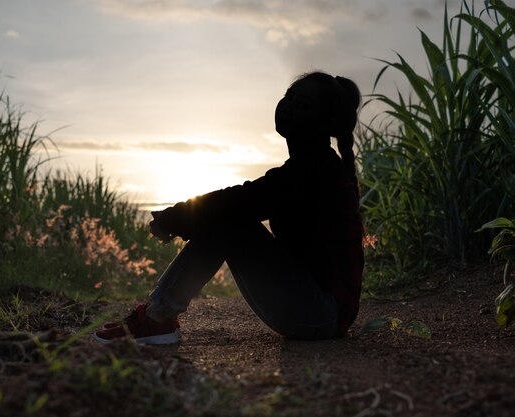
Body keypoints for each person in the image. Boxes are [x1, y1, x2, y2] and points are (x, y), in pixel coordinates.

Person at [94, 71, 364, 345]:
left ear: (325, 122)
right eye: (289, 97)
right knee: (227, 215)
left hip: (321, 313)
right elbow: (247, 199)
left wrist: (175, 217)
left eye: (304, 104)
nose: (289, 106)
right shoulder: (312, 167)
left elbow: (244, 201)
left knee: (229, 221)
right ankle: (156, 315)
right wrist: (179, 218)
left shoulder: (314, 170)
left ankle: (158, 318)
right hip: (317, 310)